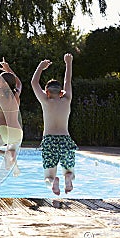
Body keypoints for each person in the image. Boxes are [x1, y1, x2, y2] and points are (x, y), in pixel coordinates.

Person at [31, 53, 78, 195]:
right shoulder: (67, 99)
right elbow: (67, 80)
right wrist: (68, 62)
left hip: (49, 140)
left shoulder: (46, 101)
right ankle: (68, 178)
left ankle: (54, 182)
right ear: (61, 92)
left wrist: (41, 66)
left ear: (47, 92)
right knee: (70, 171)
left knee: (48, 176)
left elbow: (34, 83)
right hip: (65, 139)